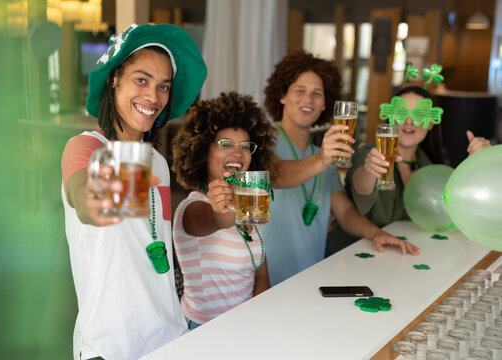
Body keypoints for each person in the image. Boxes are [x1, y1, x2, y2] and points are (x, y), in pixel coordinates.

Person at [60, 23, 207, 360]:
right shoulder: (84, 147)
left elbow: (156, 245)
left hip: (168, 333)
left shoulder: (157, 164)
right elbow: (86, 202)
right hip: (110, 344)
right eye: (142, 80)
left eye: (163, 86)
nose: (153, 97)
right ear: (114, 79)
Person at [261, 50, 419, 286]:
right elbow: (278, 175)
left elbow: (344, 212)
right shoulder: (263, 140)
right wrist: (323, 160)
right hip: (265, 281)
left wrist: (376, 233)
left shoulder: (320, 153)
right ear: (282, 95)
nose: (309, 100)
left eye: (317, 93)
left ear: (326, 103)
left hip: (311, 276)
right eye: (299, 90)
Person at [326, 85, 492, 255]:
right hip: (352, 256)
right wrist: (370, 170)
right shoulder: (370, 154)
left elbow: (456, 205)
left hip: (402, 255)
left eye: (419, 115)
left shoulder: (429, 163)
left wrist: (480, 165)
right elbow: (361, 187)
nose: (409, 121)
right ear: (390, 116)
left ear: (431, 123)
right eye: (401, 113)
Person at [171, 92, 273, 330]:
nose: (237, 154)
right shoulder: (192, 208)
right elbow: (218, 219)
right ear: (203, 152)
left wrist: (258, 327)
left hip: (245, 328)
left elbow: (260, 274)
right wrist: (222, 211)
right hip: (203, 331)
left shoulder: (250, 206)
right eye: (226, 144)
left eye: (245, 146)